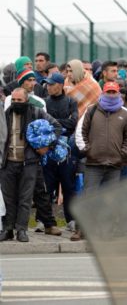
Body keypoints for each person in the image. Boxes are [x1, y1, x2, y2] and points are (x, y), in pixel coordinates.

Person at [0, 88, 61, 242]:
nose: (16, 103)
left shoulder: (37, 112)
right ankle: (8, 229)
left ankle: (21, 230)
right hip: (8, 163)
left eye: (19, 100)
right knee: (9, 199)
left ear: (26, 100)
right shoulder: (5, 114)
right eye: (13, 100)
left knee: (25, 199)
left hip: (29, 163)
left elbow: (57, 127)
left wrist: (47, 146)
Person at [43, 73, 79, 231]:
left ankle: (71, 220)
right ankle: (43, 220)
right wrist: (60, 124)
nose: (48, 87)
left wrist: (53, 123)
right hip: (48, 150)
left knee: (68, 187)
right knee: (46, 187)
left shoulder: (71, 101)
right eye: (47, 84)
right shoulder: (44, 102)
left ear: (60, 85)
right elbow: (42, 123)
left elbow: (73, 123)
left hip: (66, 150)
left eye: (51, 84)